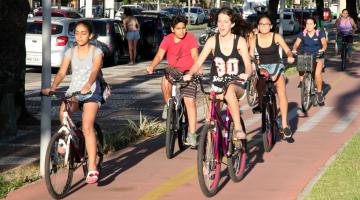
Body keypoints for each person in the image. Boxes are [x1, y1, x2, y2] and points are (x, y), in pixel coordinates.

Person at [42, 20, 103, 184]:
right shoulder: (70, 51)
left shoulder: (96, 52)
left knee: (87, 126)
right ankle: (65, 137)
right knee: (63, 111)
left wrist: (88, 84)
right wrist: (53, 87)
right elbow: (62, 71)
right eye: (77, 33)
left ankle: (92, 167)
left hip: (91, 92)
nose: (80, 36)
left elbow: (95, 70)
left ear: (90, 35)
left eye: (84, 33)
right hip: (75, 91)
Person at [184, 7, 252, 141]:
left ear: (232, 24)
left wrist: (247, 74)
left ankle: (238, 128)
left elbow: (248, 65)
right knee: (210, 120)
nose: (222, 25)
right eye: (219, 21)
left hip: (236, 83)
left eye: (225, 21)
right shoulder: (212, 41)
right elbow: (198, 63)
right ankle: (212, 154)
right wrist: (190, 73)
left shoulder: (239, 41)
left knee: (229, 90)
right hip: (217, 85)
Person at [146, 16, 199, 147]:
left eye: (183, 28)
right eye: (178, 29)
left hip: (188, 71)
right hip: (173, 70)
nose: (182, 31)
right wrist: (152, 66)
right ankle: (169, 104)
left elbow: (195, 55)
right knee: (165, 76)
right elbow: (159, 55)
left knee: (190, 101)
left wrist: (196, 68)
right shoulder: (167, 39)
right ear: (172, 29)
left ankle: (192, 134)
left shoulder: (190, 38)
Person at [249, 14, 295, 138]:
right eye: (261, 24)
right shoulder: (253, 38)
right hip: (262, 66)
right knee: (257, 78)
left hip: (276, 65)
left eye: (267, 24)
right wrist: (251, 60)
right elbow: (251, 53)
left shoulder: (276, 36)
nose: (264, 26)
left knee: (281, 91)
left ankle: (285, 124)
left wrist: (290, 56)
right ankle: (260, 102)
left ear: (271, 26)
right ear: (258, 26)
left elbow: (287, 50)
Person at [292, 17, 327, 106]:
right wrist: (294, 49)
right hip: (307, 55)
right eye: (307, 23)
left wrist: (323, 49)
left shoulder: (319, 33)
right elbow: (296, 43)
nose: (309, 25)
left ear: (314, 25)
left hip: (318, 56)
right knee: (300, 62)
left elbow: (324, 43)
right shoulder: (302, 34)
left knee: (317, 74)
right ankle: (303, 82)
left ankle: (319, 93)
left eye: (311, 23)